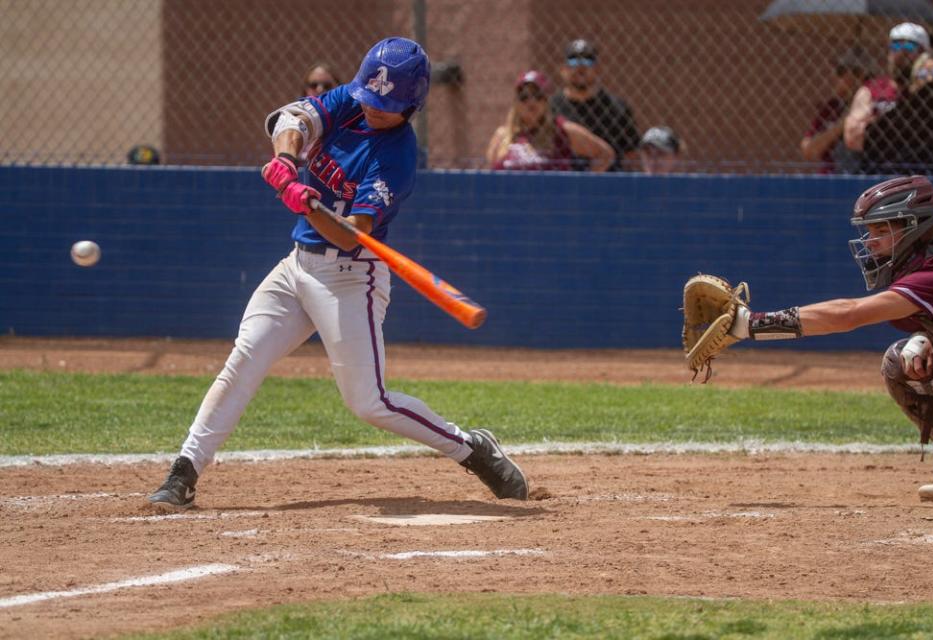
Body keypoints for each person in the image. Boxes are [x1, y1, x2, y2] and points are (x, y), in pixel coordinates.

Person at [148, 37, 529, 510]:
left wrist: (304, 201)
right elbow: (291, 120)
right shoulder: (352, 99)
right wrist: (288, 162)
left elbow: (353, 235)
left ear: (411, 106)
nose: (372, 109)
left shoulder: (398, 156)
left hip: (352, 278)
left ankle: (472, 449)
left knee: (369, 402)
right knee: (243, 362)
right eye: (370, 98)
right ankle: (184, 471)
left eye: (386, 106)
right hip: (297, 267)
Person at [718, 176, 933, 501]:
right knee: (910, 356)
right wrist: (927, 337)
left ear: (915, 227)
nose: (870, 242)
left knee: (896, 363)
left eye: (881, 231)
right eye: (869, 232)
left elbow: (848, 314)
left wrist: (749, 325)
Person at [486, 70, 614, 172]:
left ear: (546, 101)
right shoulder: (503, 135)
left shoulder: (562, 131)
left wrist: (580, 187)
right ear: (516, 103)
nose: (531, 102)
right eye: (524, 97)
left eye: (537, 95)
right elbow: (491, 175)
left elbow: (605, 154)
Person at [843, 23, 930, 164]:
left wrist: (876, 125)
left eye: (909, 47)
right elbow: (853, 137)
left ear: (923, 54)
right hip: (880, 166)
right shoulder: (872, 89)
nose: (901, 53)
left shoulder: (932, 92)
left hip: (926, 166)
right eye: (895, 46)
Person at [549, 39, 641, 172]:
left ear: (597, 69)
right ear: (563, 69)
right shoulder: (552, 107)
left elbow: (631, 155)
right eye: (573, 62)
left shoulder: (616, 108)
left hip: (608, 183)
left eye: (588, 61)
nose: (581, 67)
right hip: (564, 182)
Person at [800, 48, 871, 174]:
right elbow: (808, 150)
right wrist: (843, 122)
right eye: (840, 72)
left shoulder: (874, 107)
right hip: (830, 177)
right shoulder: (832, 108)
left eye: (841, 72)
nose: (838, 78)